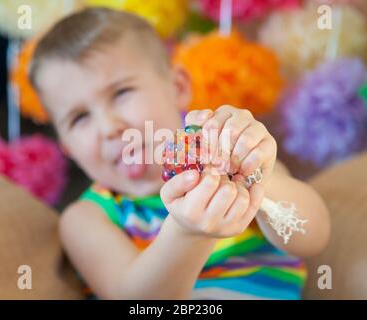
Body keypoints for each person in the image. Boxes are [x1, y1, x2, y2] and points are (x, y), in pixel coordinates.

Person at [29, 8, 330, 299]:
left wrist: (255, 173)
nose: (109, 127)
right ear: (67, 147)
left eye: (121, 93)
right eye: (79, 118)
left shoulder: (230, 159)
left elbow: (313, 236)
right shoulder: (89, 216)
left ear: (177, 86)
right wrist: (188, 232)